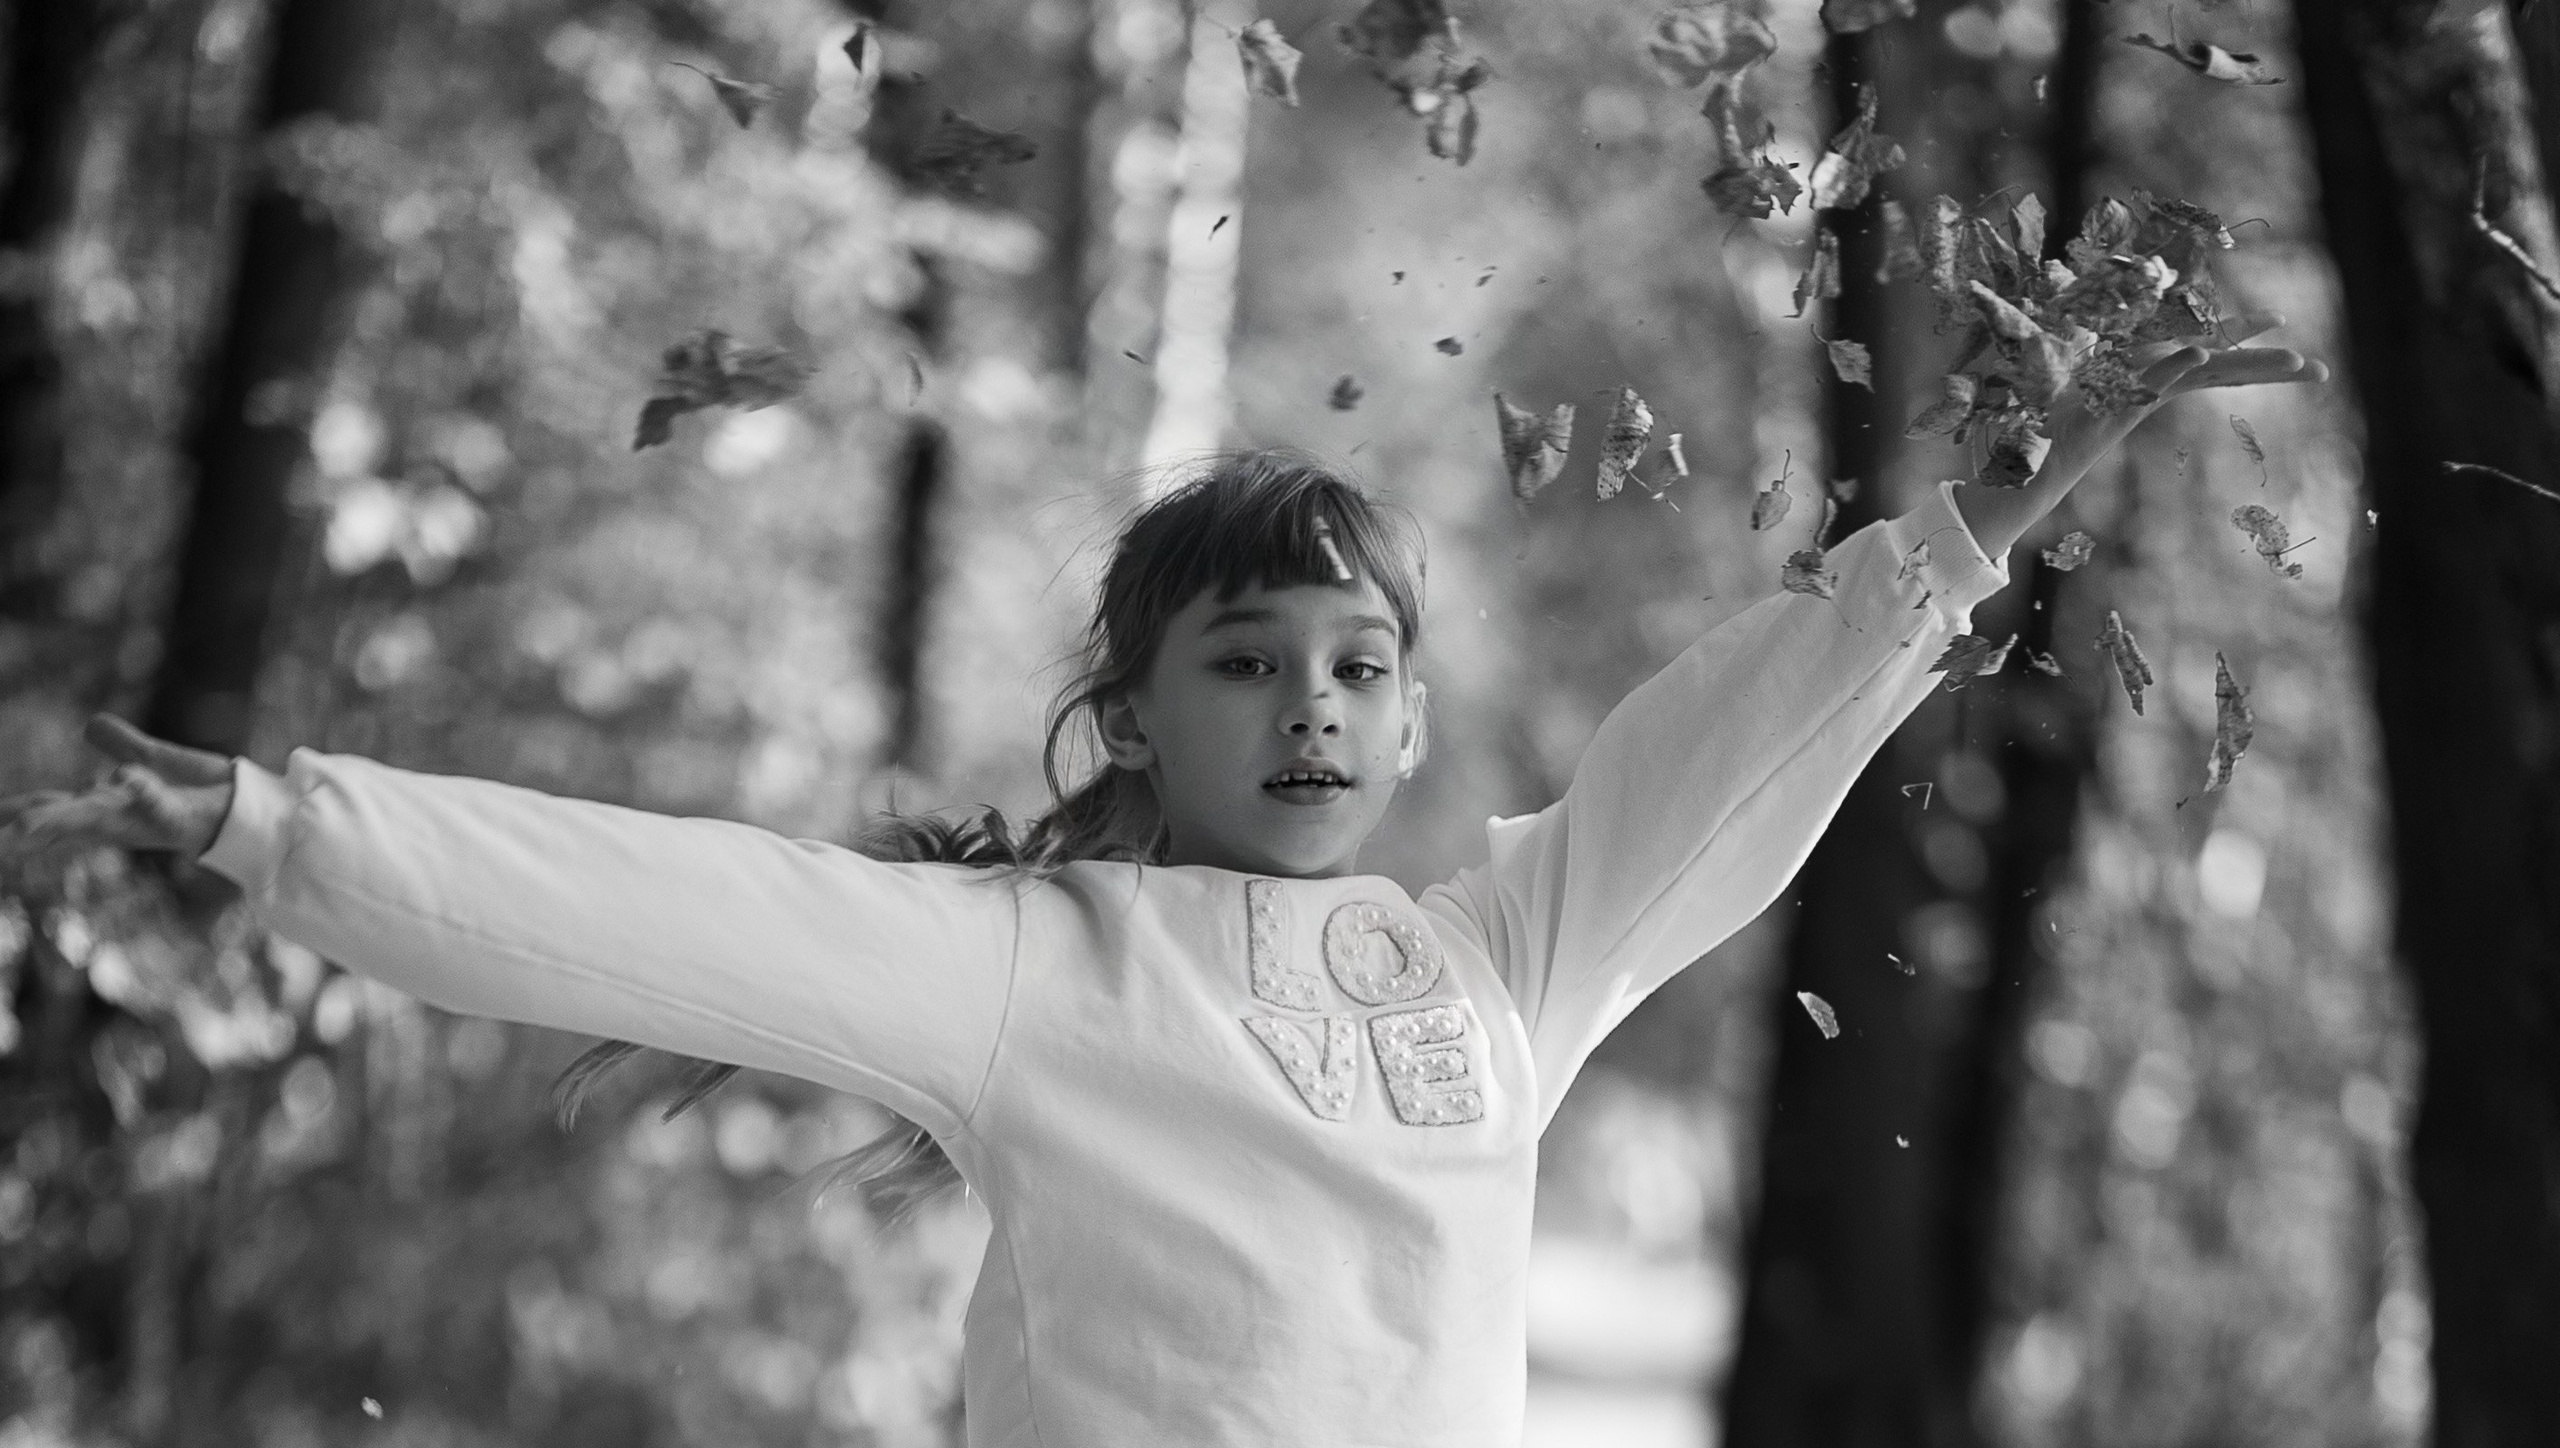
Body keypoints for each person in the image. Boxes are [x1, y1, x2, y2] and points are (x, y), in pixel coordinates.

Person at [0, 330, 2321, 1446]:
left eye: (1355, 665)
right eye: (1245, 663)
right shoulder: (1032, 971)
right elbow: (652, 906)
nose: (1310, 707)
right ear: (1135, 721)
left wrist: (1957, 537)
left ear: (1408, 721)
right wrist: (276, 824)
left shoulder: (1494, 956)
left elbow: (1727, 748)